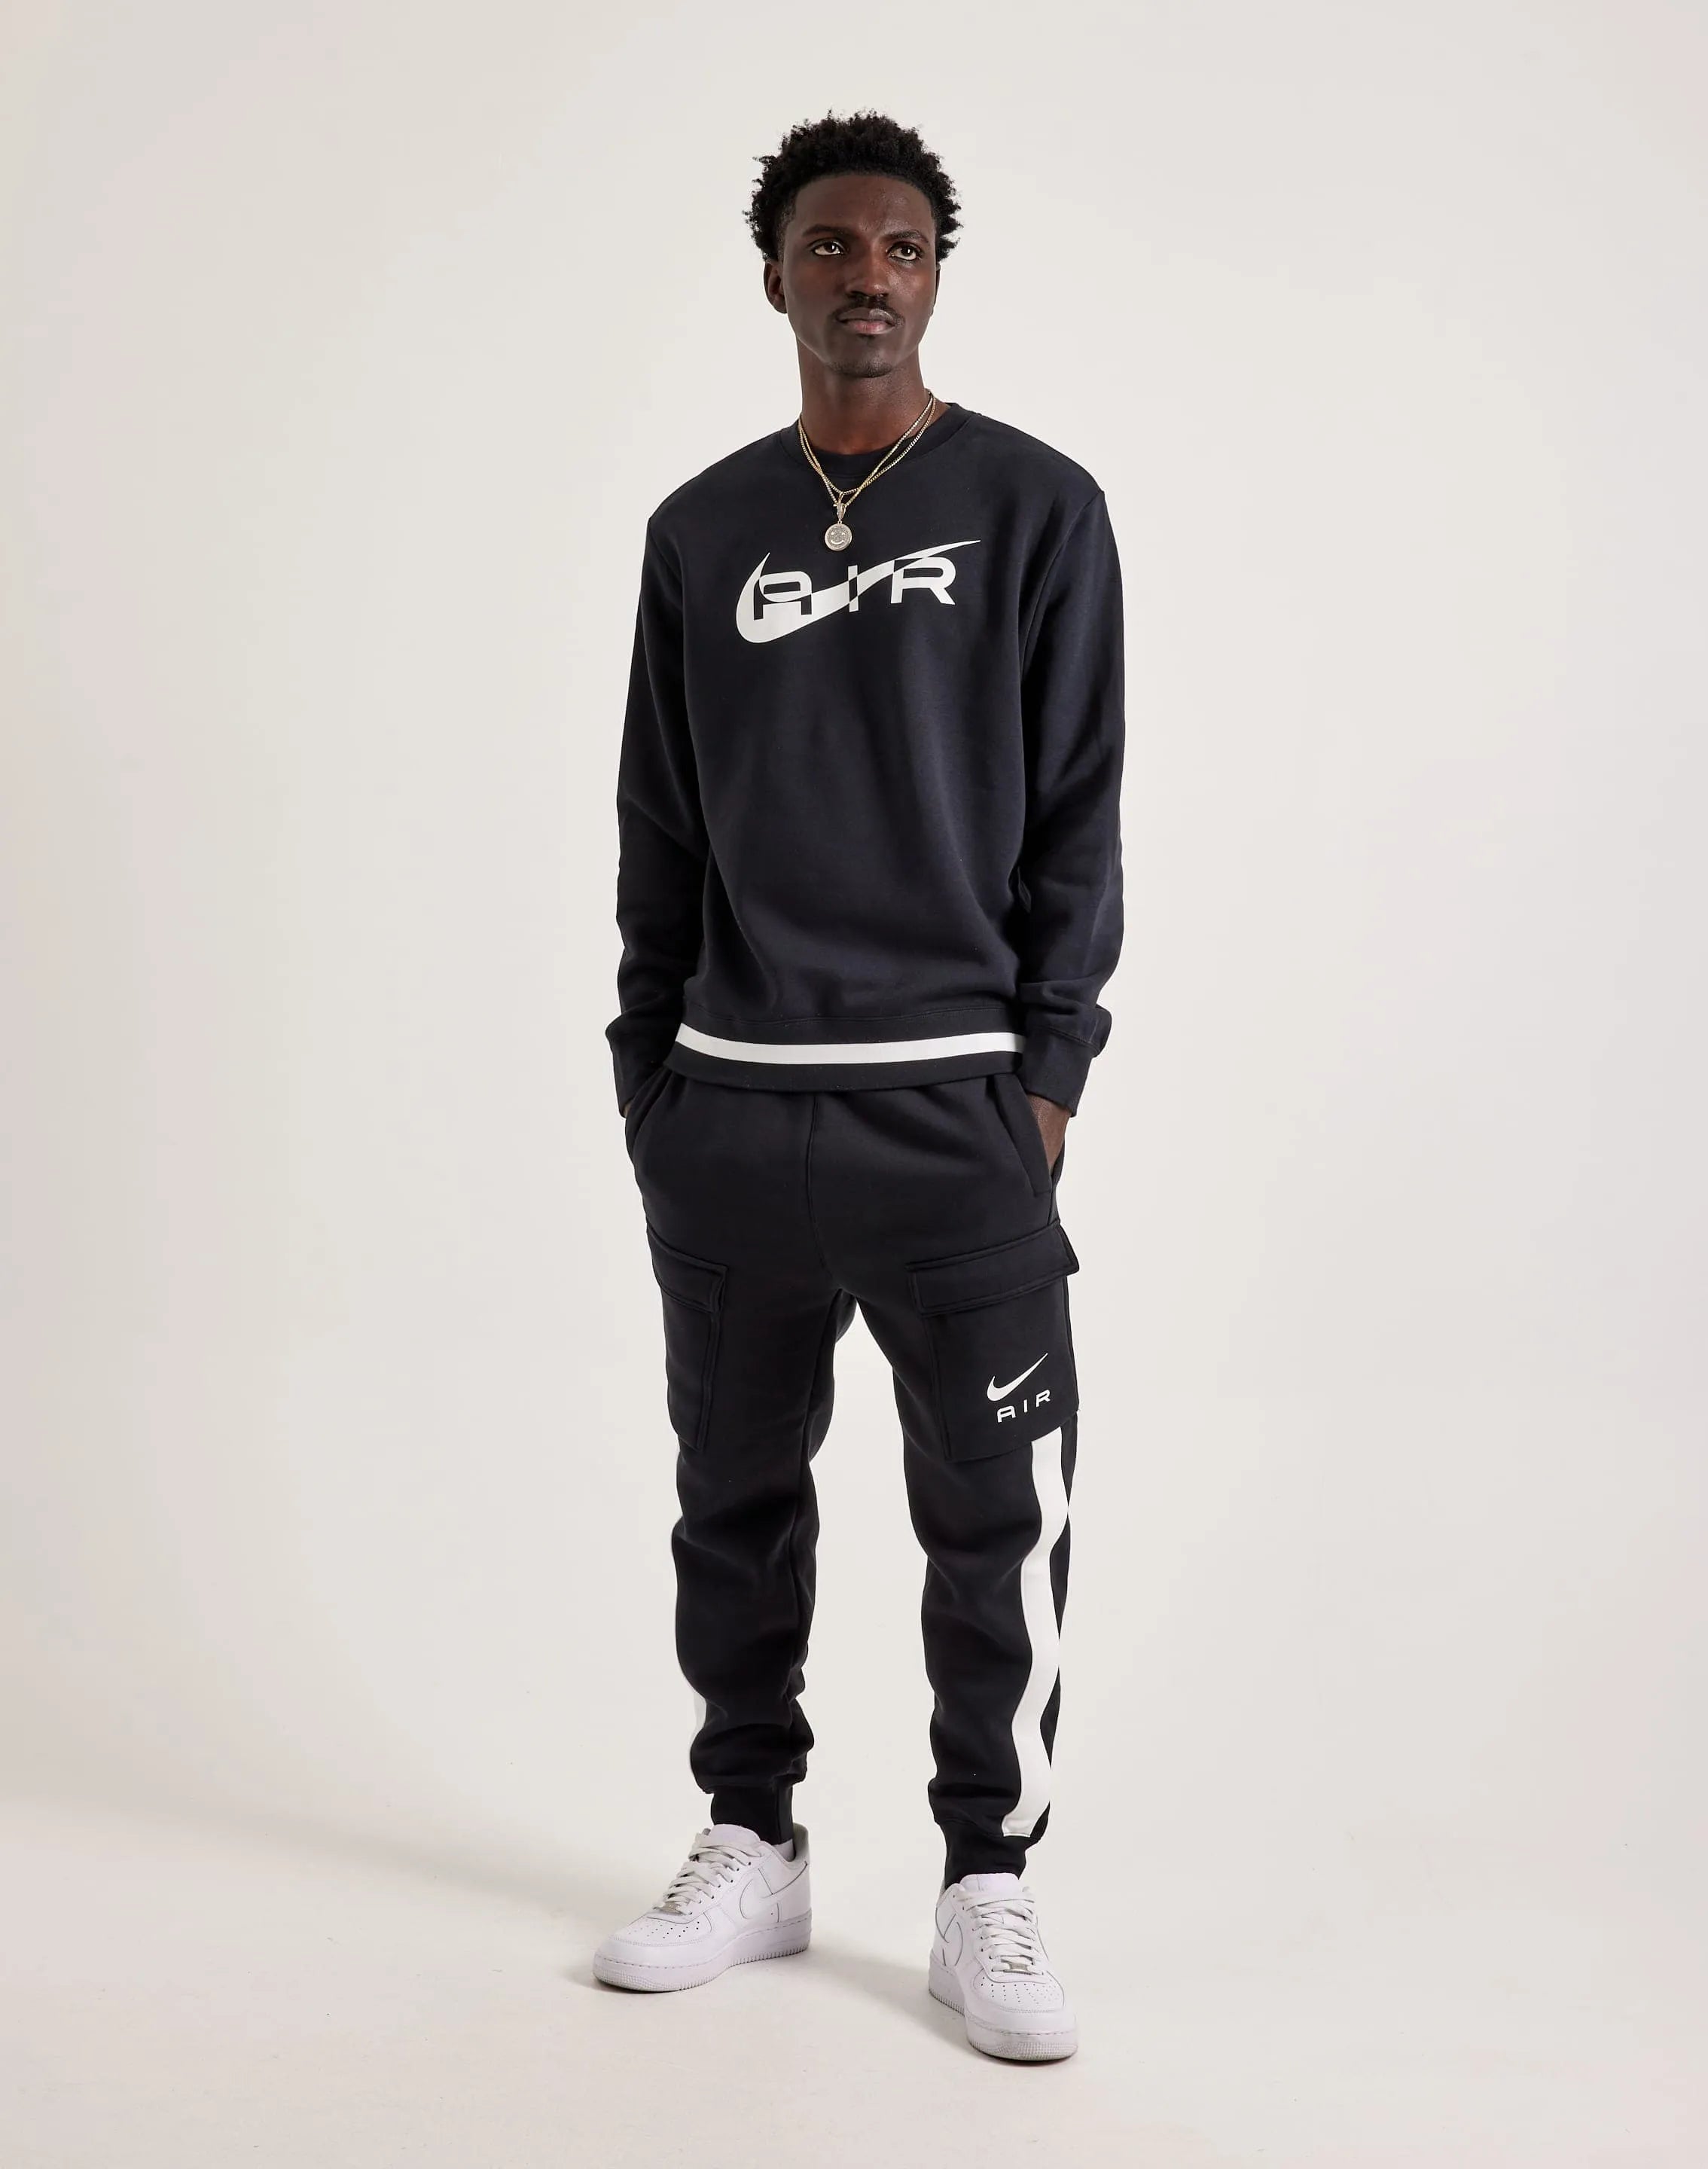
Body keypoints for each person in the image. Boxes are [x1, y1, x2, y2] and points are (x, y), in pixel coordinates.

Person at [593, 112, 1124, 2063]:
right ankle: (752, 1840)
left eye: (899, 246)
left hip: (952, 1113)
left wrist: (1045, 1075)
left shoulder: (1035, 507)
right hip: (731, 1109)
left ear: (935, 274)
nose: (865, 276)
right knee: (732, 1502)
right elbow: (658, 827)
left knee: (993, 1513)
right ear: (776, 274)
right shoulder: (701, 529)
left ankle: (987, 1877)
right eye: (829, 245)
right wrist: (649, 1080)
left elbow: (1079, 810)